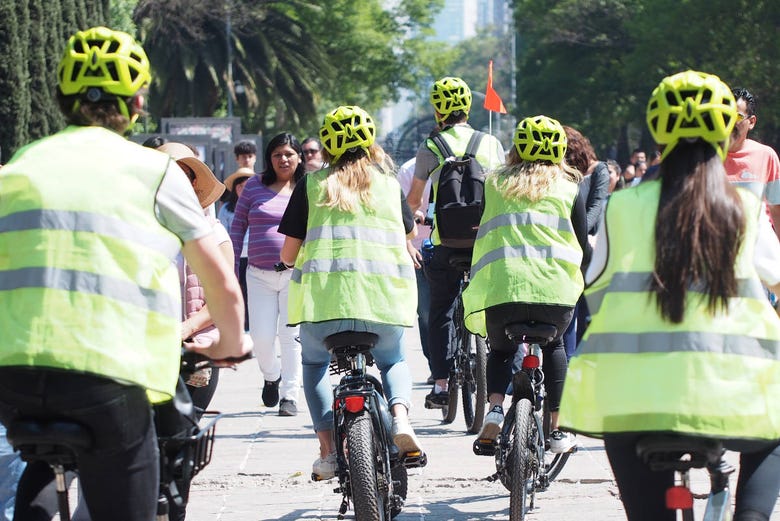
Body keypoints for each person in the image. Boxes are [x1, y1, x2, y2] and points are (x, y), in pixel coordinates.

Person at [0, 26, 247, 521]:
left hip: (16, 379)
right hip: (110, 379)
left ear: (59, 98)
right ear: (137, 103)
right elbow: (221, 284)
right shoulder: (155, 172)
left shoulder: (17, 169)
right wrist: (227, 345)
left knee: (39, 461)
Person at [559, 70, 780, 521]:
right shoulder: (744, 209)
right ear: (726, 131)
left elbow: (595, 286)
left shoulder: (623, 208)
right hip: (731, 390)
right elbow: (775, 278)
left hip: (636, 398)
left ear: (659, 134)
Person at [278, 105, 424, 480]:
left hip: (324, 308)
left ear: (325, 146)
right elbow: (408, 235)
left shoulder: (311, 185)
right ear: (371, 144)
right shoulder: (390, 186)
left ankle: (327, 452)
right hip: (383, 305)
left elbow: (288, 255)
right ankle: (401, 418)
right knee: (393, 361)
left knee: (313, 366)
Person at [463, 115, 589, 454]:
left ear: (516, 149)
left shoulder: (494, 184)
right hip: (555, 296)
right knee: (555, 347)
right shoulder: (570, 188)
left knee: (502, 351)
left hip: (504, 292)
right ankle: (558, 429)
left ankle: (493, 410)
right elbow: (582, 245)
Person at [405, 76, 505, 408]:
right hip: (485, 243)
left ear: (437, 110)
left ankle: (441, 382)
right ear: (468, 108)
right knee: (494, 306)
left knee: (441, 309)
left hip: (444, 243)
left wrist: (410, 226)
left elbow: (414, 200)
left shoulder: (431, 147)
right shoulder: (490, 143)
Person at [230, 133, 304, 417]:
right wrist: (231, 267)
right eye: (277, 154)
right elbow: (237, 227)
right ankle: (272, 376)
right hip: (258, 274)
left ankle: (290, 396)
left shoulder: (306, 188)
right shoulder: (253, 186)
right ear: (269, 159)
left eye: (288, 154)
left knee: (290, 336)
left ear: (298, 157)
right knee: (260, 338)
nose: (283, 159)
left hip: (294, 274)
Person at [724, 87, 780, 242]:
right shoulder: (708, 157)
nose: (729, 123)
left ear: (751, 122)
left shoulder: (766, 156)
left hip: (757, 250)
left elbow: (777, 210)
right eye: (725, 116)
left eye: (737, 117)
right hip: (717, 250)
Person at [396, 157, 433, 379]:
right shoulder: (409, 169)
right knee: (427, 312)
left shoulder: (466, 161)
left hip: (457, 244)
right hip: (420, 249)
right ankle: (436, 366)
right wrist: (408, 245)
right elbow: (398, 212)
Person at [219, 167, 254, 330]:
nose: (243, 189)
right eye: (240, 186)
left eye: (247, 185)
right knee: (236, 290)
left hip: (253, 256)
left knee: (251, 291)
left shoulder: (258, 205)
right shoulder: (226, 208)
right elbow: (222, 232)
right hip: (234, 256)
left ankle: (250, 324)